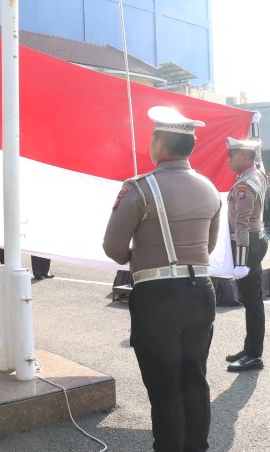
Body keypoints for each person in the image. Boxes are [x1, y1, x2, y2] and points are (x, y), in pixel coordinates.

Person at [103, 106, 221, 452]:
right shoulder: (209, 187)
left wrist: (137, 258)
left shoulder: (140, 188)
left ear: (158, 143)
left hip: (157, 295)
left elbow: (113, 247)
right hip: (201, 290)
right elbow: (209, 246)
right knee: (195, 378)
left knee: (163, 384)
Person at [224, 137, 267, 373]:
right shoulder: (256, 173)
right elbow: (260, 160)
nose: (228, 159)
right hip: (254, 240)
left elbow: (242, 223)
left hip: (247, 244)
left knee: (252, 301)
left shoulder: (245, 185)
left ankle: (254, 355)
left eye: (232, 155)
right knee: (251, 300)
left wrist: (240, 262)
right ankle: (250, 348)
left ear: (245, 157)